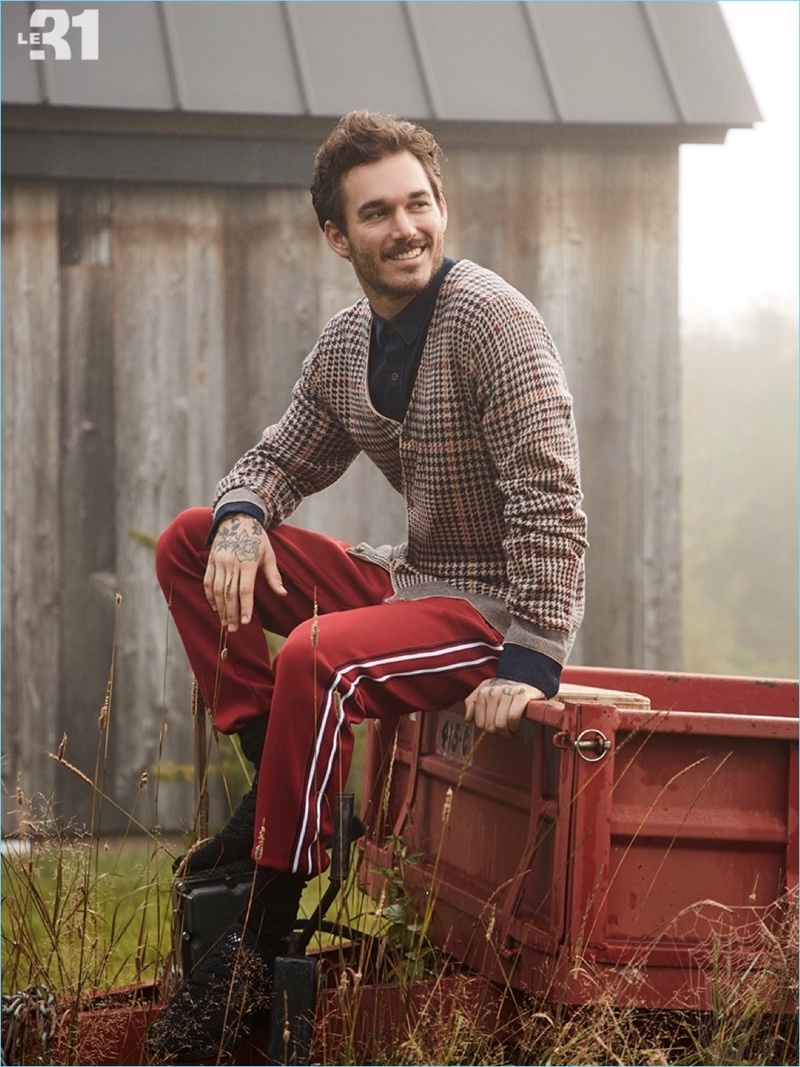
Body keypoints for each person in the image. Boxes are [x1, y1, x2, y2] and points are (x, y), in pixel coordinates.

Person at [146, 110, 587, 1062]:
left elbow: (552, 493)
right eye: (378, 213)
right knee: (188, 541)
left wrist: (535, 656)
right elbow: (280, 454)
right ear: (338, 236)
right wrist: (241, 514)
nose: (406, 228)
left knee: (316, 654)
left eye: (419, 204)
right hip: (410, 581)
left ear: (442, 208)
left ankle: (258, 945)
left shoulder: (492, 323)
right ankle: (273, 767)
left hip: (487, 607)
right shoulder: (351, 343)